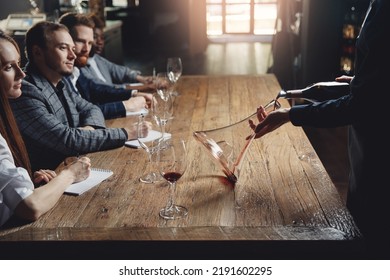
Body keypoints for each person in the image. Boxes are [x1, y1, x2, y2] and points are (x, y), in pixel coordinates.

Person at [251, 0, 389, 257]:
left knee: (370, 244)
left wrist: (290, 114)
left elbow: (358, 107)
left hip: (379, 161)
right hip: (366, 158)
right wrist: (363, 82)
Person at [9, 21, 150, 172]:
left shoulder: (60, 81)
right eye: (63, 48)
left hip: (78, 165)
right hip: (52, 179)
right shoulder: (25, 91)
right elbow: (68, 140)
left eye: (72, 49)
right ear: (37, 52)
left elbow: (91, 109)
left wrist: (87, 130)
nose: (73, 55)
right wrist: (127, 133)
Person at [0, 30, 91, 227]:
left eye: (18, 63)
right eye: (8, 67)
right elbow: (30, 207)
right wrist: (70, 174)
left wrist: (30, 185)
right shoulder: (30, 92)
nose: (21, 73)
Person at [59, 12, 153, 120]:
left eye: (89, 43)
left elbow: (97, 89)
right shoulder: (60, 75)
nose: (86, 49)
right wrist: (128, 105)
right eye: (80, 41)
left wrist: (133, 94)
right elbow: (79, 115)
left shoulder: (76, 70)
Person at [87, 13, 154, 87]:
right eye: (94, 37)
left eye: (102, 38)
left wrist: (142, 79)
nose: (100, 42)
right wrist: (141, 87)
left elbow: (119, 71)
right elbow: (105, 89)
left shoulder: (97, 59)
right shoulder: (81, 68)